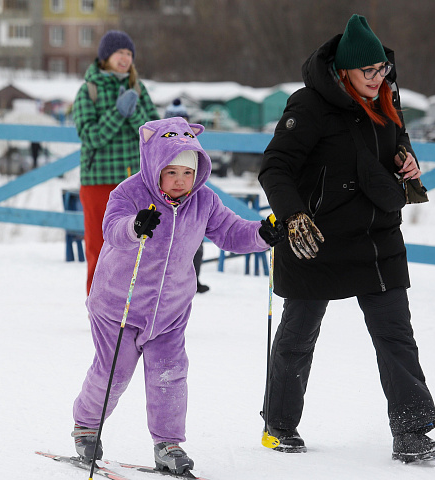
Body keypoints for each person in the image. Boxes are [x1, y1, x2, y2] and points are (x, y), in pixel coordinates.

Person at [257, 14, 435, 464]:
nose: (378, 77)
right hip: (315, 236)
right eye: (369, 70)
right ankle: (278, 425)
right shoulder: (309, 106)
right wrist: (293, 215)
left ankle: (412, 431)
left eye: (383, 68)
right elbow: (274, 167)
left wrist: (406, 160)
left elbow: (395, 143)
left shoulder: (386, 99)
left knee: (395, 335)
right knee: (298, 337)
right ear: (343, 70)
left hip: (376, 237)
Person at [72, 116, 286, 474]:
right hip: (118, 306)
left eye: (188, 173)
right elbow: (112, 229)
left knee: (169, 375)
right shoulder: (129, 192)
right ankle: (86, 427)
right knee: (113, 372)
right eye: (171, 172)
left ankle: (167, 443)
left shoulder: (203, 201)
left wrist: (261, 234)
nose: (180, 181)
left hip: (170, 311)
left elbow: (230, 231)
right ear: (154, 166)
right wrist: (134, 226)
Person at [72, 30, 159, 295]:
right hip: (98, 182)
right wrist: (118, 112)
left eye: (129, 53)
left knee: (137, 247)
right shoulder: (89, 90)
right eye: (119, 52)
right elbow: (91, 136)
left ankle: (132, 304)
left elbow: (153, 136)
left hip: (134, 182)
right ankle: (97, 303)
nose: (125, 58)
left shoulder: (138, 89)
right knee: (99, 246)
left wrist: (133, 114)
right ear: (106, 56)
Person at [163, 98, 209, 294]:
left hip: (189, 197)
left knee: (195, 238)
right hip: (165, 199)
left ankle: (194, 278)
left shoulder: (192, 142)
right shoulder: (161, 142)